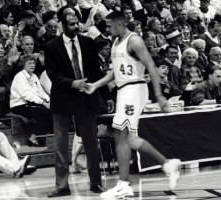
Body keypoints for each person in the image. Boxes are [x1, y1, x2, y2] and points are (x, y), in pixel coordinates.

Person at [85, 11, 181, 199]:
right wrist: (95, 85)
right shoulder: (115, 42)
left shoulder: (134, 41)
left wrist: (160, 96)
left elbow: (152, 66)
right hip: (124, 90)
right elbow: (115, 72)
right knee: (131, 139)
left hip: (134, 89)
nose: (108, 28)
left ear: (119, 25)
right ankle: (168, 164)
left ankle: (124, 185)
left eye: (110, 25)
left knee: (120, 135)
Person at [44, 13, 113, 198]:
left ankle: (96, 183)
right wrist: (71, 83)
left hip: (85, 97)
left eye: (77, 23)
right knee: (60, 144)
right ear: (63, 25)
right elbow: (52, 73)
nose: (76, 27)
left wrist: (106, 95)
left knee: (91, 141)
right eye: (72, 24)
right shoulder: (51, 46)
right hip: (63, 98)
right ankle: (61, 186)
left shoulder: (87, 42)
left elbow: (96, 71)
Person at [10, 54, 52, 147]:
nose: (32, 65)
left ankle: (47, 138)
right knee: (44, 112)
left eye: (33, 63)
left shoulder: (34, 76)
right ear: (23, 65)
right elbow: (27, 95)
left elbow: (40, 91)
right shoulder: (19, 76)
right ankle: (33, 138)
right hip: (19, 105)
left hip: (30, 104)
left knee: (52, 110)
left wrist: (49, 101)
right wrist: (43, 103)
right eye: (29, 63)